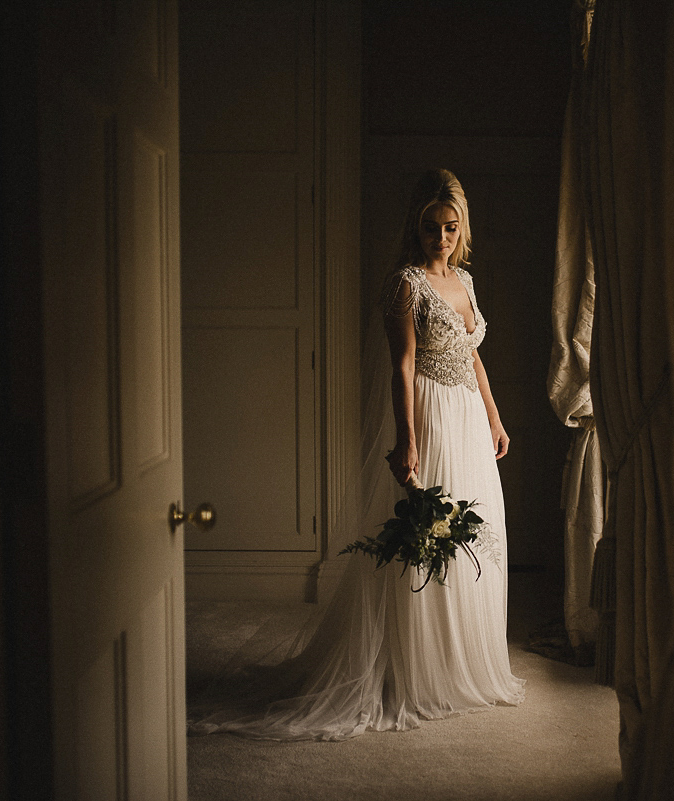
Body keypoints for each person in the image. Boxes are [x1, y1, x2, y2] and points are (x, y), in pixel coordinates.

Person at [187, 169, 524, 741]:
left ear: (462, 228)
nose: (440, 238)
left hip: (467, 418)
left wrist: (493, 416)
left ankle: (458, 664)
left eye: (450, 227)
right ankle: (414, 672)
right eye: (429, 227)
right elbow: (401, 366)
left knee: (475, 539)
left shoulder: (465, 282)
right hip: (431, 416)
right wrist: (408, 439)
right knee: (424, 543)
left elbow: (472, 355)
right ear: (415, 226)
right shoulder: (406, 285)